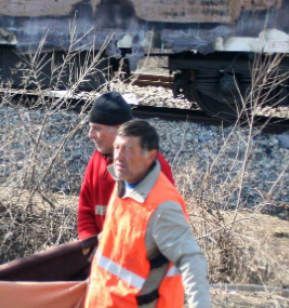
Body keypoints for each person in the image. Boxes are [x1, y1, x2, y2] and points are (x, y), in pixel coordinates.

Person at [84, 120, 211, 308]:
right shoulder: (123, 184)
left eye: (128, 149)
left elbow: (192, 261)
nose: (118, 156)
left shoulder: (162, 208)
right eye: (117, 147)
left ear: (150, 156)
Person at [77, 92, 175, 240]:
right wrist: (90, 244)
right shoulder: (97, 159)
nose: (90, 135)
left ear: (118, 130)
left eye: (97, 128)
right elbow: (85, 211)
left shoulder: (152, 166)